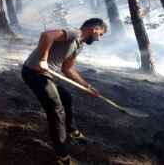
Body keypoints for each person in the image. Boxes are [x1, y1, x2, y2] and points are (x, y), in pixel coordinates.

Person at [21, 18, 107, 165]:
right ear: (95, 28)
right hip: (34, 73)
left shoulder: (79, 45)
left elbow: (67, 69)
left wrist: (87, 86)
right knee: (56, 111)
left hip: (48, 76)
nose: (100, 38)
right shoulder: (74, 33)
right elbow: (47, 35)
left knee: (66, 98)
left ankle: (72, 132)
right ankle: (63, 157)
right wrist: (43, 58)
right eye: (101, 33)